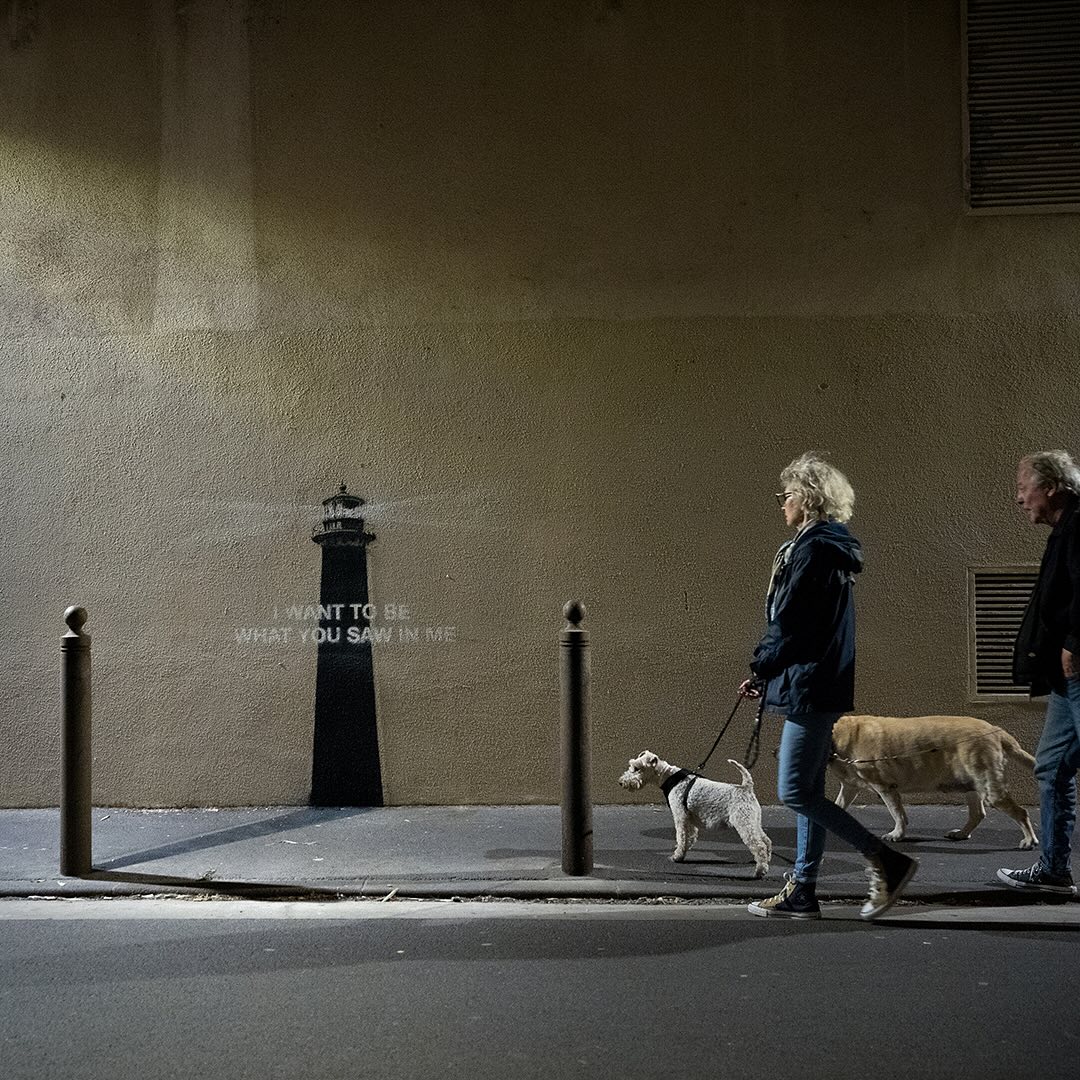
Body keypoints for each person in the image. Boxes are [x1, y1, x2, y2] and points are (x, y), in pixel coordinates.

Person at [741, 452, 917, 920]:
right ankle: (803, 890)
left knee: (794, 791)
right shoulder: (823, 548)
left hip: (811, 685)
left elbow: (792, 622)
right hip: (814, 681)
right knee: (810, 790)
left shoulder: (814, 550)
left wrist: (762, 667)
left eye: (787, 494)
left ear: (808, 498)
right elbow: (806, 625)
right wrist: (768, 673)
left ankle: (887, 860)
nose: (782, 503)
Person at [997, 451, 1080, 897]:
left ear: (1051, 487)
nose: (1019, 498)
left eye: (1023, 488)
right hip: (1067, 679)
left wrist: (1074, 644)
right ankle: (1053, 870)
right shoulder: (1063, 530)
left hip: (1078, 668)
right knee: (1050, 766)